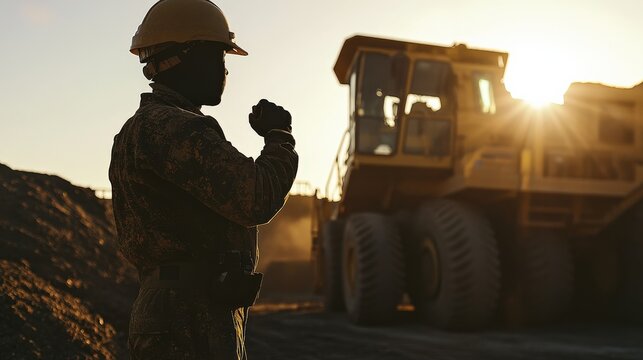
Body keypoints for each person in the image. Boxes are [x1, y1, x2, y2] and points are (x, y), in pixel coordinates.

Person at [108, 0, 298, 359]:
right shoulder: (174, 128)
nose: (224, 70)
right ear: (185, 56)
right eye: (218, 57)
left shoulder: (144, 129)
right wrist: (279, 136)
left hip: (181, 309)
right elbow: (257, 197)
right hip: (189, 317)